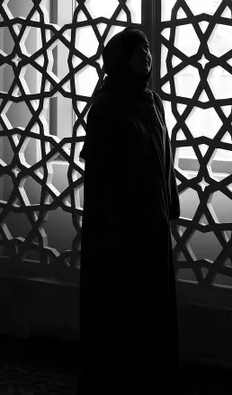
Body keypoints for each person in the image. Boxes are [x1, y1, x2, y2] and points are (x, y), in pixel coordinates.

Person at [76, 27, 184, 395]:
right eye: (138, 49)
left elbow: (164, 157)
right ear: (120, 59)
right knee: (124, 310)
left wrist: (170, 206)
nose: (146, 55)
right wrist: (108, 231)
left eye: (148, 48)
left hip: (152, 222)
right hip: (121, 229)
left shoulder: (153, 102)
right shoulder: (106, 107)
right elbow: (102, 177)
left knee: (155, 308)